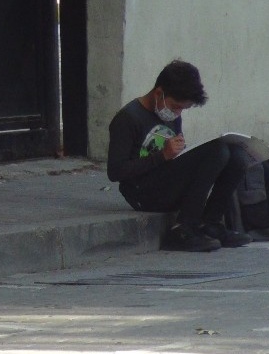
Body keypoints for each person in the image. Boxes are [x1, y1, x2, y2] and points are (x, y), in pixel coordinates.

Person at [107, 60, 252, 252]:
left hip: (168, 180)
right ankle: (183, 229)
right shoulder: (127, 118)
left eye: (183, 109)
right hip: (143, 192)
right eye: (176, 107)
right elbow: (115, 171)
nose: (177, 113)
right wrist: (162, 156)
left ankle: (210, 223)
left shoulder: (171, 115)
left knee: (236, 155)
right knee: (217, 151)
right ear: (159, 93)